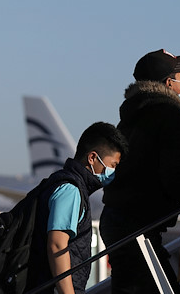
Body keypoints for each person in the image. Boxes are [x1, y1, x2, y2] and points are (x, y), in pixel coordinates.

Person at [100, 49, 180, 294]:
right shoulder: (171, 117)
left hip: (116, 220)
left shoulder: (132, 115)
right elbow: (175, 176)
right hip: (139, 227)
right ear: (169, 82)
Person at [25, 122, 127, 294]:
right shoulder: (71, 190)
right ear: (92, 158)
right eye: (113, 165)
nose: (113, 172)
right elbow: (57, 245)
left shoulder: (63, 183)